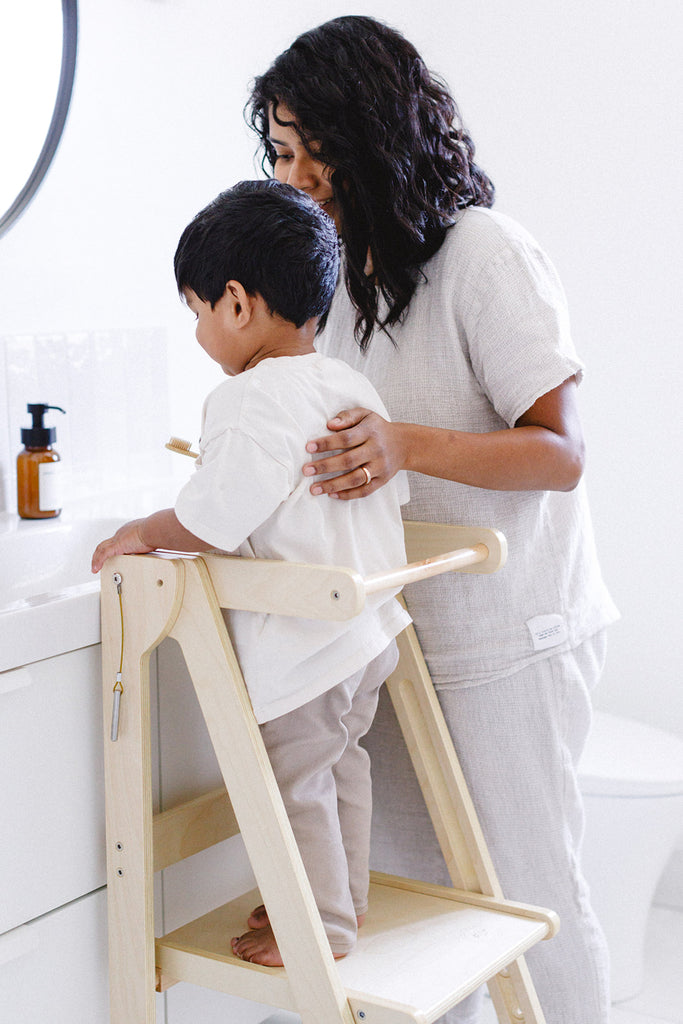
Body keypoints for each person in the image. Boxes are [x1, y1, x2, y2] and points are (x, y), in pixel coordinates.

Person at [247, 16, 619, 1024]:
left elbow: (561, 452)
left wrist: (402, 442)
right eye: (276, 150)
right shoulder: (339, 281)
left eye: (300, 146)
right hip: (399, 642)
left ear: (362, 131)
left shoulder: (483, 254)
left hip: (509, 639)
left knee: (525, 897)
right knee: (422, 914)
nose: (289, 174)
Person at [91, 179, 411, 966]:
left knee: (294, 787)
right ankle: (342, 904)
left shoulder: (246, 400)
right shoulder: (346, 384)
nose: (200, 331)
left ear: (236, 302)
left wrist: (141, 531)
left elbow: (209, 519)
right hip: (367, 632)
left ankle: (322, 928)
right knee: (341, 769)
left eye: (197, 311)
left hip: (304, 645)